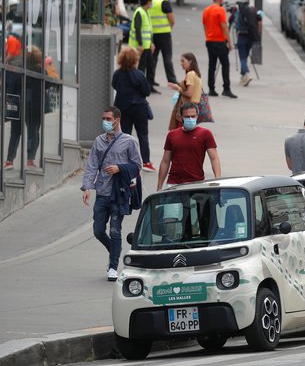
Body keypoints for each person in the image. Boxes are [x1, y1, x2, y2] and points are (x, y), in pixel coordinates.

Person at [81, 106, 142, 281]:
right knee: (98, 230)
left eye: (109, 119)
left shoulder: (129, 141)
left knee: (115, 232)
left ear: (117, 120)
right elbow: (92, 165)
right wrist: (87, 188)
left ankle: (113, 267)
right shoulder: (98, 141)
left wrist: (119, 168)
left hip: (119, 194)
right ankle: (113, 252)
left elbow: (138, 166)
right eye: (104, 119)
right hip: (102, 192)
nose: (105, 122)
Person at [157, 102, 222, 190]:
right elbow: (165, 161)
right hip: (173, 183)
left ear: (197, 116)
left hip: (196, 183)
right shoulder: (172, 135)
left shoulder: (205, 134)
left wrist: (217, 180)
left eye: (193, 116)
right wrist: (159, 186)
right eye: (187, 117)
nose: (190, 119)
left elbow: (214, 158)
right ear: (181, 117)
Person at [112, 46, 156, 172]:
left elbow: (114, 85)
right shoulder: (139, 74)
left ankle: (124, 160)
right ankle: (146, 161)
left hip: (122, 107)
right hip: (139, 107)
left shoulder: (117, 74)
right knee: (143, 135)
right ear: (135, 59)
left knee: (124, 134)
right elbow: (146, 91)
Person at [5, 46, 43, 170]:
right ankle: (30, 159)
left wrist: (9, 99)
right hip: (34, 105)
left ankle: (10, 160)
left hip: (18, 102)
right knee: (33, 131)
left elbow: (11, 85)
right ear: (38, 57)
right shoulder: (40, 70)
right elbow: (47, 85)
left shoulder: (18, 68)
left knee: (15, 132)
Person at [202, 0, 235, 98]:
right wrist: (229, 41)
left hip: (209, 40)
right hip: (220, 41)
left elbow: (205, 25)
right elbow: (224, 26)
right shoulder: (220, 10)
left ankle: (211, 88)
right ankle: (226, 88)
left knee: (212, 65)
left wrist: (207, 36)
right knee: (225, 64)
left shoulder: (206, 10)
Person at [129, 0, 159, 93]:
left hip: (147, 46)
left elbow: (149, 30)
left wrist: (152, 43)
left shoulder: (146, 12)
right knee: (141, 68)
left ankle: (150, 85)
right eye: (151, 1)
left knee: (150, 66)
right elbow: (138, 29)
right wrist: (140, 44)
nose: (152, 3)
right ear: (148, 2)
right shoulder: (139, 12)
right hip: (141, 46)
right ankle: (140, 87)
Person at [229, 0, 262, 87]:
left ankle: (246, 74)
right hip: (250, 36)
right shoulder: (253, 10)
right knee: (245, 56)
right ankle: (243, 77)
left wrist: (233, 12)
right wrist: (257, 35)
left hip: (241, 36)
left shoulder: (237, 11)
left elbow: (230, 20)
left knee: (242, 57)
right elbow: (259, 20)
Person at [149, 0, 177, 84]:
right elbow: (172, 19)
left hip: (152, 35)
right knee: (167, 58)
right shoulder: (164, 2)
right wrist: (170, 28)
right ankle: (172, 80)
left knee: (153, 58)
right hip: (164, 34)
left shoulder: (150, 2)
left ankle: (150, 79)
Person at [167, 52, 203, 130]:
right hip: (194, 108)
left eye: (183, 61)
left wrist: (178, 88)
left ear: (190, 61)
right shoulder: (196, 74)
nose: (181, 63)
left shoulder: (190, 74)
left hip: (187, 108)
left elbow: (189, 93)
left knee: (181, 131)